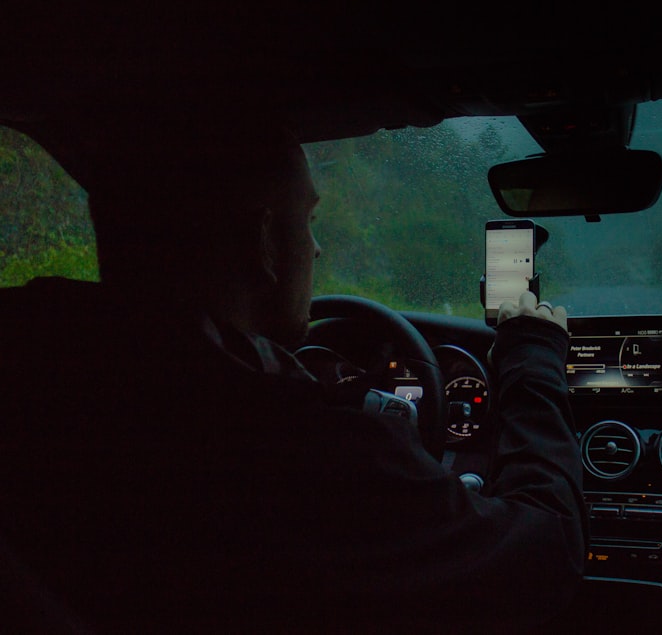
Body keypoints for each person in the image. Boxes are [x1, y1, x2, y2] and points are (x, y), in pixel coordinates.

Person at [0, 114, 586, 633]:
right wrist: (534, 358)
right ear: (263, 243)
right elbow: (546, 556)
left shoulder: (38, 378)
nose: (317, 250)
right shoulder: (308, 453)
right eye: (307, 221)